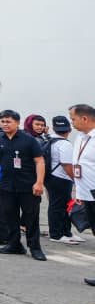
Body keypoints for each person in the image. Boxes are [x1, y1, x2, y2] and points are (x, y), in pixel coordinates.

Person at [0, 109, 46, 261]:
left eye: (8, 121)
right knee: (10, 215)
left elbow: (39, 161)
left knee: (31, 217)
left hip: (28, 185)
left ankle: (35, 248)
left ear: (17, 123)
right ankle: (14, 244)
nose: (5, 124)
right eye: (2, 121)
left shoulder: (29, 140)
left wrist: (39, 182)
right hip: (7, 185)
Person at [67, 104, 95, 285]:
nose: (72, 123)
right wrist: (79, 190)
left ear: (84, 118)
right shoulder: (80, 138)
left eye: (73, 119)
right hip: (86, 193)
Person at [44, 116, 80, 245]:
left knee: (62, 206)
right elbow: (67, 165)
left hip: (52, 177)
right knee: (58, 207)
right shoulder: (64, 144)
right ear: (69, 130)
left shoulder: (50, 140)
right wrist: (75, 180)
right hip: (61, 178)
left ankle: (66, 232)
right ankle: (56, 234)